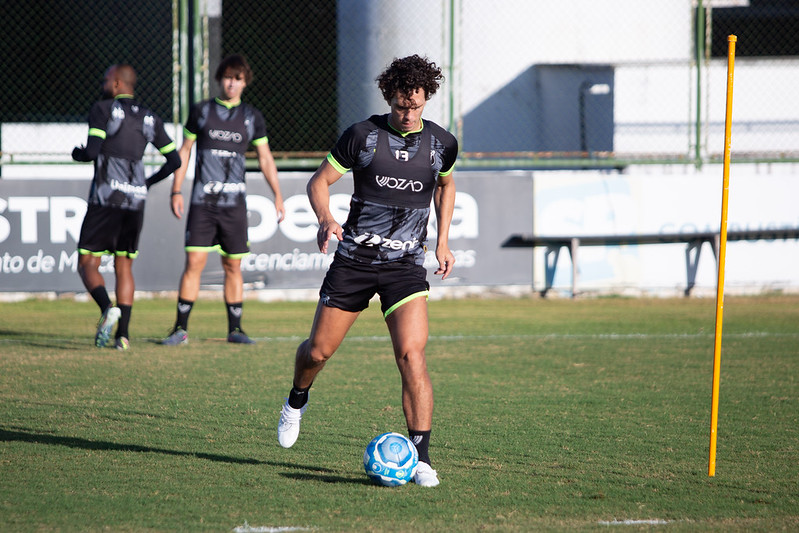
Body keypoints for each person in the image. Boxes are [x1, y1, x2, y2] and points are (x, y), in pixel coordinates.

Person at [276, 55, 459, 487]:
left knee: (412, 355)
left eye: (414, 106)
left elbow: (447, 184)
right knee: (318, 352)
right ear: (389, 99)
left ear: (426, 98)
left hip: (405, 268)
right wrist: (325, 218)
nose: (407, 114)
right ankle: (296, 400)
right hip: (355, 263)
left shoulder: (441, 144)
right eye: (400, 106)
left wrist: (443, 239)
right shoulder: (363, 136)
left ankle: (422, 458)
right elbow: (317, 182)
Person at [162, 54, 285, 346]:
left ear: (245, 83)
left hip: (234, 206)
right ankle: (180, 329)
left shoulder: (252, 117)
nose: (232, 83)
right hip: (203, 203)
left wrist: (278, 195)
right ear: (220, 79)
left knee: (233, 266)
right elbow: (185, 151)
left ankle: (235, 329)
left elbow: (265, 158)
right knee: (195, 262)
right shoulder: (202, 112)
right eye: (228, 77)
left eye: (238, 79)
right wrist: (176, 189)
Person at [73, 64, 181, 350]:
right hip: (135, 202)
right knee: (124, 265)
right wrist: (145, 183)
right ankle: (123, 336)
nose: (104, 82)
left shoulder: (102, 109)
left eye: (106, 78)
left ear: (118, 83)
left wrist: (78, 154)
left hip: (106, 199)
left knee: (86, 262)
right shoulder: (150, 118)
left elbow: (92, 151)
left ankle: (107, 307)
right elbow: (175, 161)